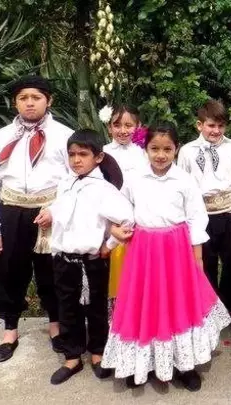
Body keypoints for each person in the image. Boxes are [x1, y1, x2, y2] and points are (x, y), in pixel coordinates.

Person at [101, 123, 231, 391]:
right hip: (143, 252)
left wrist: (197, 259)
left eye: (167, 149)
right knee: (144, 303)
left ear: (176, 149)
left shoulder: (184, 180)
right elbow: (122, 210)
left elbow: (196, 218)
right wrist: (114, 232)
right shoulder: (135, 178)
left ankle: (185, 365)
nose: (160, 155)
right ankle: (140, 363)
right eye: (154, 149)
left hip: (176, 251)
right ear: (146, 149)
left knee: (178, 303)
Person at [34, 129, 133, 384]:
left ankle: (98, 352)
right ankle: (72, 357)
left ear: (98, 157)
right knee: (67, 308)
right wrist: (51, 212)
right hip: (64, 260)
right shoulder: (66, 183)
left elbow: (127, 220)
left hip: (92, 262)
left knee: (96, 308)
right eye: (72, 154)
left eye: (83, 154)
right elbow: (62, 207)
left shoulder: (104, 189)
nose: (76, 160)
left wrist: (109, 245)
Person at [0, 75, 72, 362]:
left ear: (49, 100)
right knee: (8, 269)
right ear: (15, 103)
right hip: (11, 210)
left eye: (36, 97)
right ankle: (10, 329)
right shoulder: (2, 137)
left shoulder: (63, 135)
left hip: (49, 212)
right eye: (23, 98)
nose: (30, 103)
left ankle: (55, 325)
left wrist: (56, 210)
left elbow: (74, 179)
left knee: (53, 270)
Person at [178, 99, 231, 332]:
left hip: (230, 211)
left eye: (220, 126)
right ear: (199, 125)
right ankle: (208, 308)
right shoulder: (187, 151)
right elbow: (183, 184)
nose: (216, 131)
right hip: (201, 214)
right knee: (204, 262)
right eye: (211, 125)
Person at [101, 104, 147, 302]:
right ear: (109, 127)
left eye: (128, 125)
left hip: (139, 219)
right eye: (117, 125)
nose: (122, 130)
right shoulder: (102, 153)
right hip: (110, 220)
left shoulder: (143, 153)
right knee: (111, 271)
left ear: (138, 126)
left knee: (137, 271)